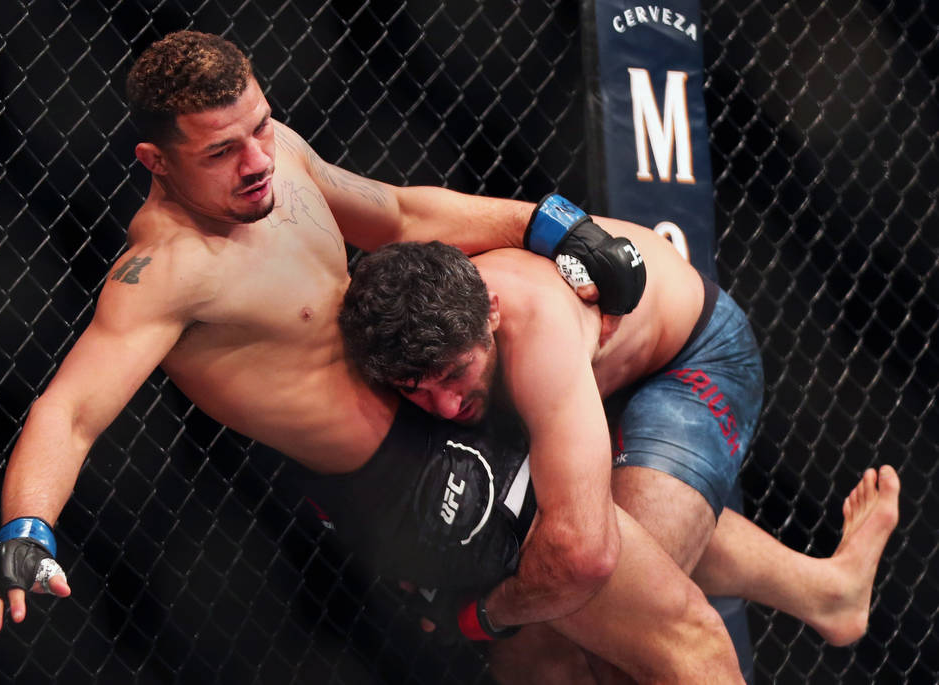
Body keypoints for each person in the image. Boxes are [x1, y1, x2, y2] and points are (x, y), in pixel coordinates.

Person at [0, 30, 745, 683]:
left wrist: (552, 224)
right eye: (222, 151)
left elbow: (399, 214)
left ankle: (826, 589)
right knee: (686, 639)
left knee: (579, 643)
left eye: (260, 125)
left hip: (434, 404)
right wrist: (27, 525)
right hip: (417, 479)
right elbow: (71, 410)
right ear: (156, 162)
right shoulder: (163, 274)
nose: (257, 159)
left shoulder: (281, 160)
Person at [338, 230, 900, 681]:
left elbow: (585, 556)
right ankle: (826, 591)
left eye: (456, 376)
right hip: (583, 397)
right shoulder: (408, 323)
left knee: (619, 645)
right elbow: (393, 203)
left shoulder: (534, 331)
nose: (445, 405)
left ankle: (828, 593)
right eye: (417, 391)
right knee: (544, 647)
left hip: (688, 365)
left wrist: (479, 614)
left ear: (492, 314)